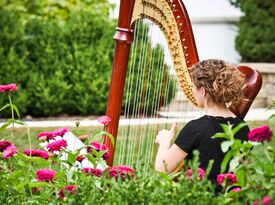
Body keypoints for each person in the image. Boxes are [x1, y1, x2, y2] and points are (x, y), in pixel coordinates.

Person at [155, 59, 250, 183]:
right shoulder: (243, 127)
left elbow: (162, 169)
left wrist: (164, 142)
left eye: (192, 87)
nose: (192, 92)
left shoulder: (195, 128)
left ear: (203, 91)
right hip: (231, 198)